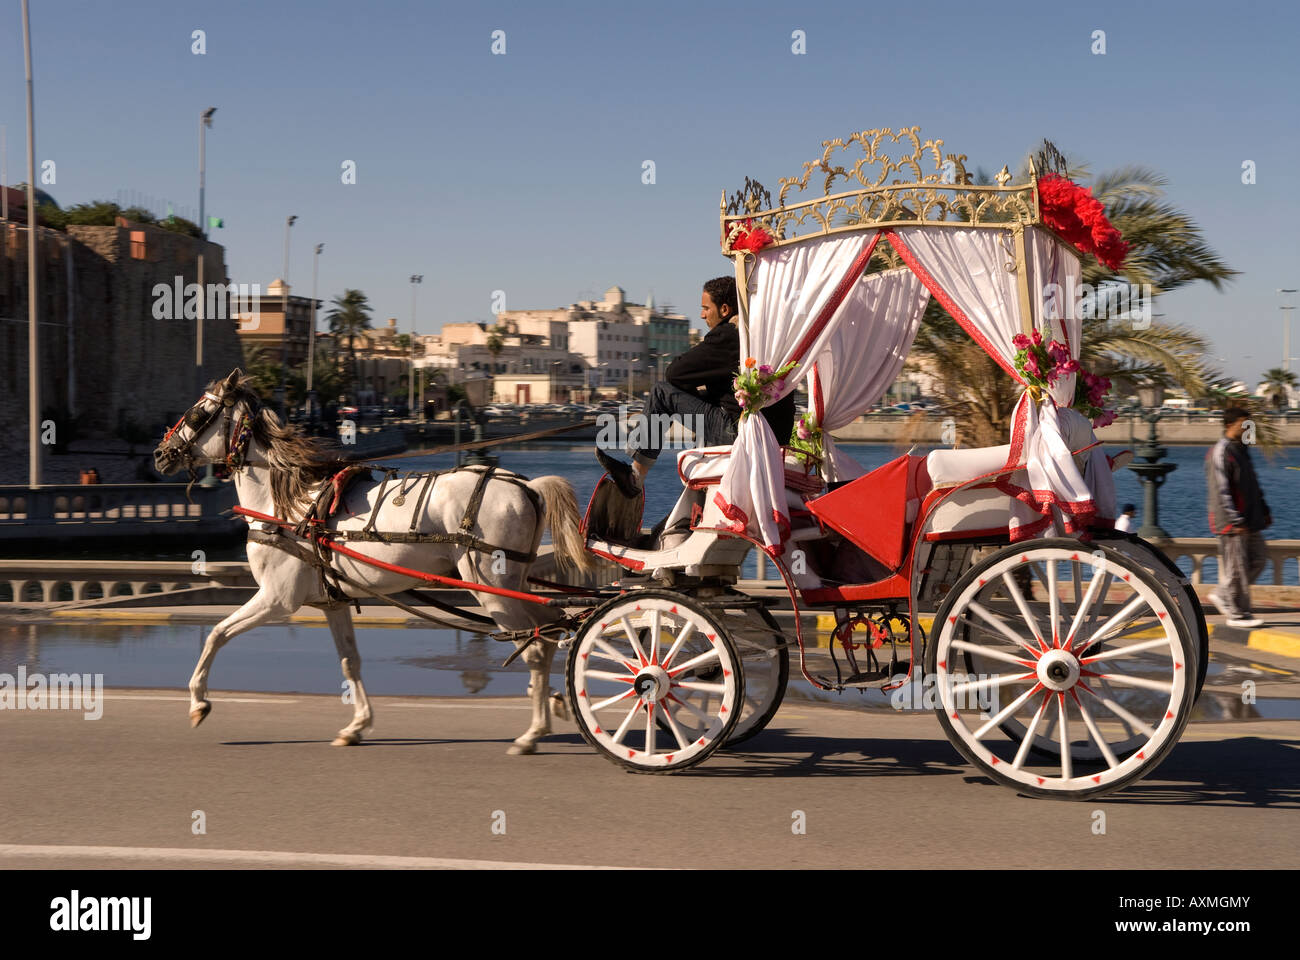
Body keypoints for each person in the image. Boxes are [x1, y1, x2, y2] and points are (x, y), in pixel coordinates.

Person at [596, 275, 795, 497]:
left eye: (705, 308)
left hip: (739, 431)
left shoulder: (730, 335)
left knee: (661, 393)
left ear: (725, 309)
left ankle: (635, 477)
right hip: (773, 435)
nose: (701, 315)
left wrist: (692, 394)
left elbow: (674, 374)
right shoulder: (764, 335)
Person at [1205, 407, 1271, 629]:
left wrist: (1263, 510)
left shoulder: (1242, 450)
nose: (1247, 428)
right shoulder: (1221, 451)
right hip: (1232, 524)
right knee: (1237, 569)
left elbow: (1252, 485)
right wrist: (1234, 520)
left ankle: (1224, 594)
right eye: (1244, 424)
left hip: (1250, 521)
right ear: (1229, 425)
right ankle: (1237, 613)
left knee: (1259, 560)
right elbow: (1220, 490)